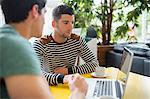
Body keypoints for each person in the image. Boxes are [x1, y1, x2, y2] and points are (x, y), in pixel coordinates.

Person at [0, 0, 87, 99]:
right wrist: (79, 92)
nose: (45, 21)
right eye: (45, 12)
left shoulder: (8, 41)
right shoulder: (14, 47)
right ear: (35, 11)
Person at [32, 4, 99, 85]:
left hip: (70, 85)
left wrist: (68, 71)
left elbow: (94, 64)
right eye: (66, 23)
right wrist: (63, 78)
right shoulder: (40, 44)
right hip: (49, 87)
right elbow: (37, 74)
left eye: (72, 22)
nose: (71, 27)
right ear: (54, 24)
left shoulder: (77, 40)